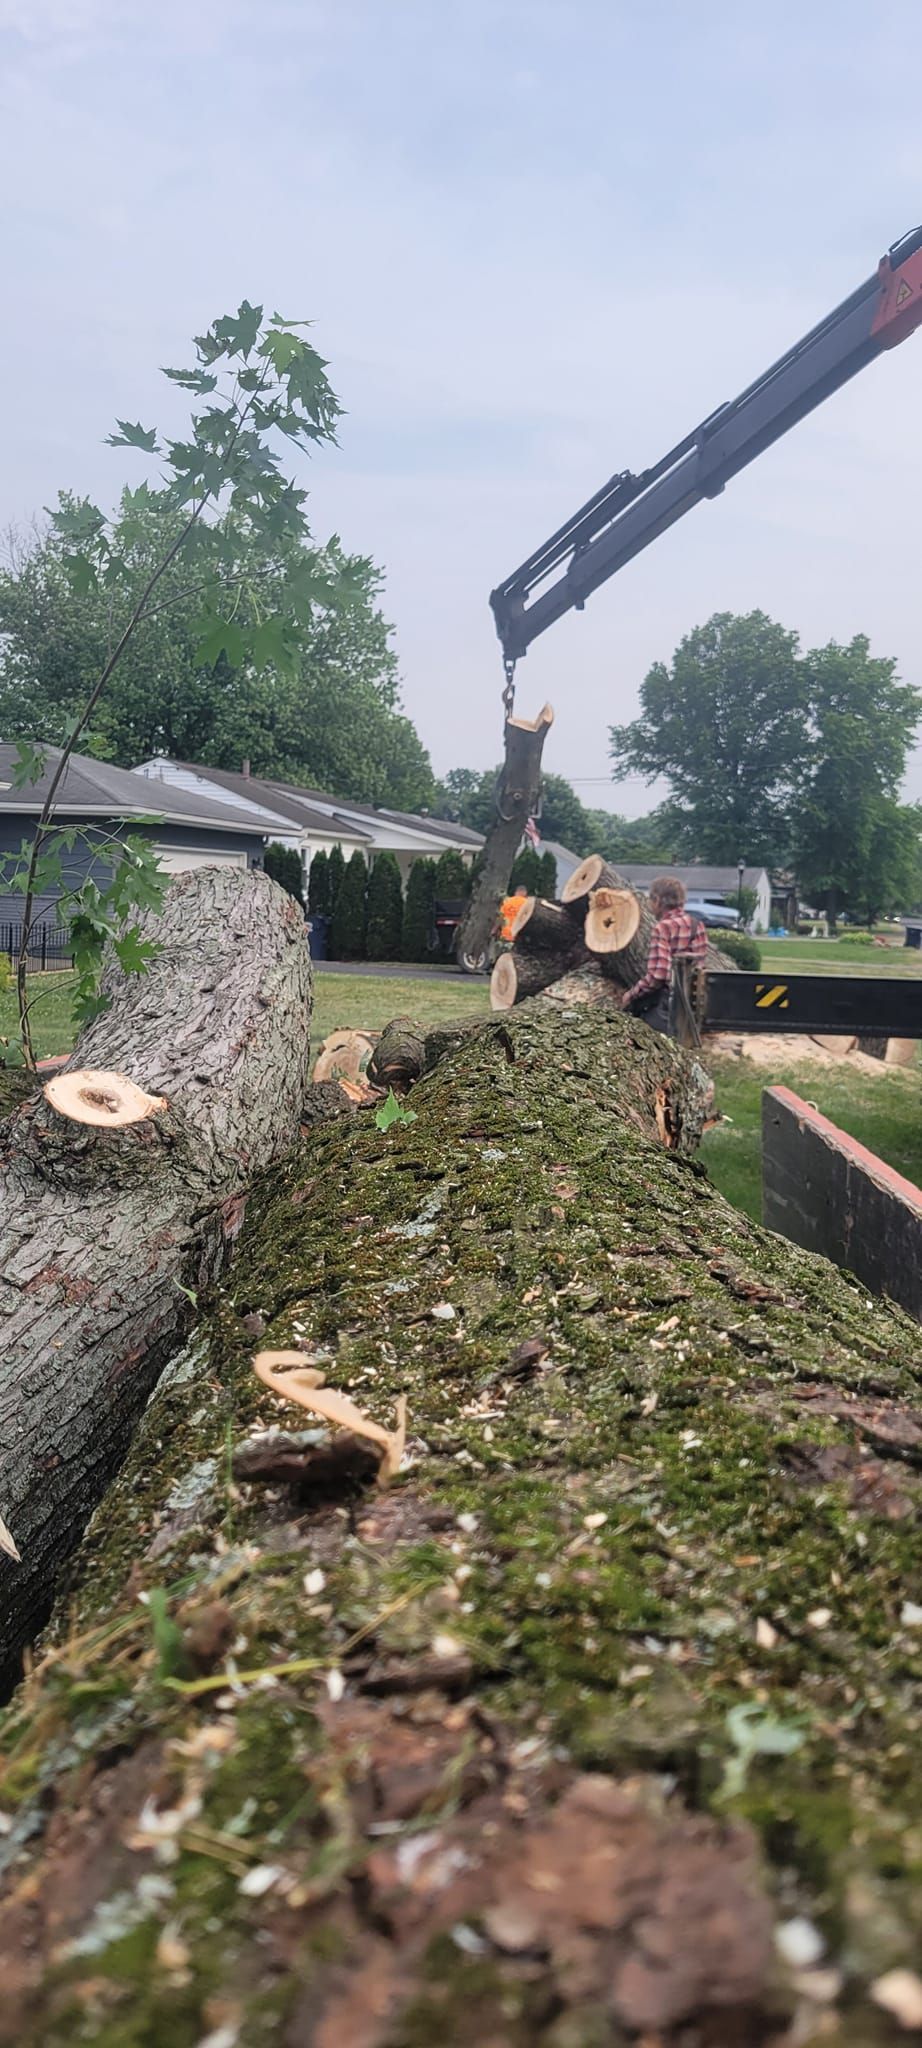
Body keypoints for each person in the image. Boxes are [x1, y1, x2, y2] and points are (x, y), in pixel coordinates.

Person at [619, 876, 707, 1036]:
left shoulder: (663, 928)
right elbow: (699, 966)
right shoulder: (697, 925)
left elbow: (658, 975)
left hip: (668, 1003)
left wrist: (631, 994)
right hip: (692, 1001)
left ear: (658, 900)